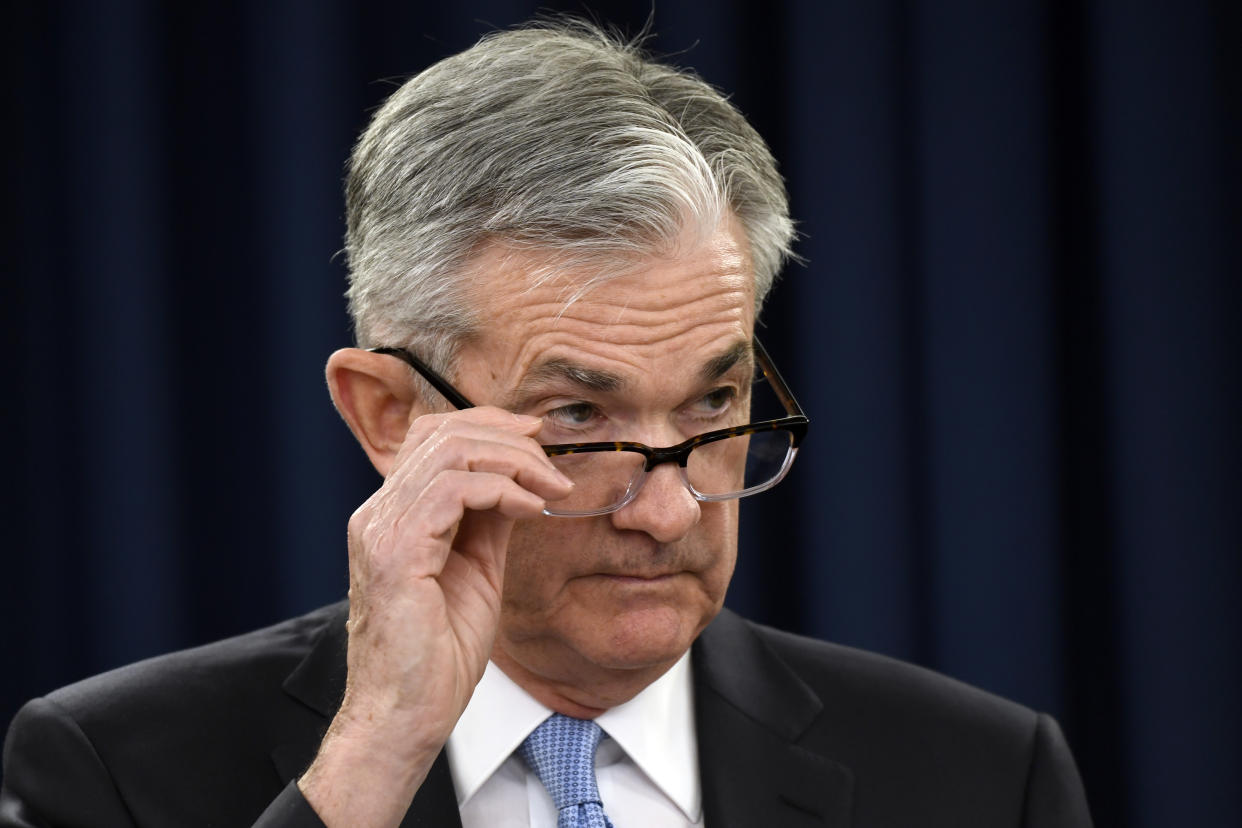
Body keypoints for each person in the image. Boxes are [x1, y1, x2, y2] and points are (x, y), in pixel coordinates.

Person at [0, 19, 1093, 828]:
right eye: (578, 418)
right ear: (390, 415)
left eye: (714, 404)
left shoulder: (985, 780)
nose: (669, 512)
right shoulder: (112, 774)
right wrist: (371, 761)